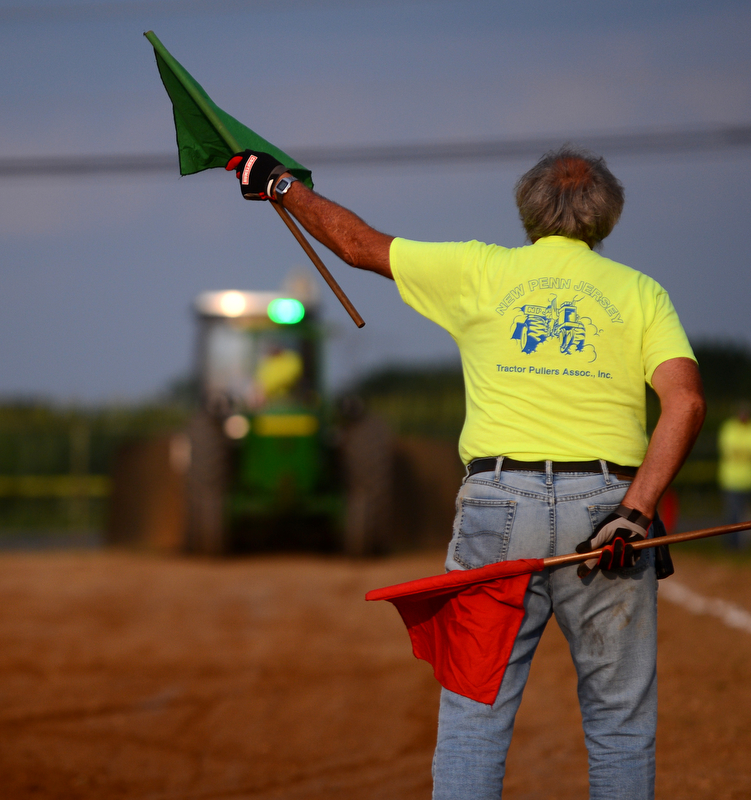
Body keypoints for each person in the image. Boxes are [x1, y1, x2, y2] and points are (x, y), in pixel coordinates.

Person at [226, 146, 706, 799]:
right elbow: (685, 401)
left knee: (472, 720)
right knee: (619, 725)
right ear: (607, 217)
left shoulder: (479, 269)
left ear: (527, 212)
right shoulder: (642, 293)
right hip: (608, 517)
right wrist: (635, 509)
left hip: (496, 509)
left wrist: (280, 185)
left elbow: (357, 244)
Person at [717, 402, 751, 548]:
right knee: (733, 514)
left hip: (747, 479)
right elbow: (728, 448)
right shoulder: (729, 428)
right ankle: (733, 545)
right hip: (732, 479)